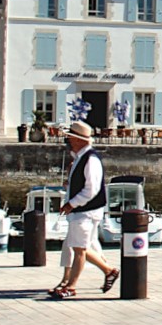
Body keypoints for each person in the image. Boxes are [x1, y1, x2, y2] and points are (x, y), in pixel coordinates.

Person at [49, 121, 120, 298]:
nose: (68, 140)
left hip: (86, 212)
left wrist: (71, 204)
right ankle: (106, 271)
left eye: (70, 137)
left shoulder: (90, 159)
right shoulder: (82, 158)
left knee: (80, 249)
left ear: (79, 140)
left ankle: (72, 285)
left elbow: (91, 189)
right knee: (80, 247)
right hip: (82, 211)